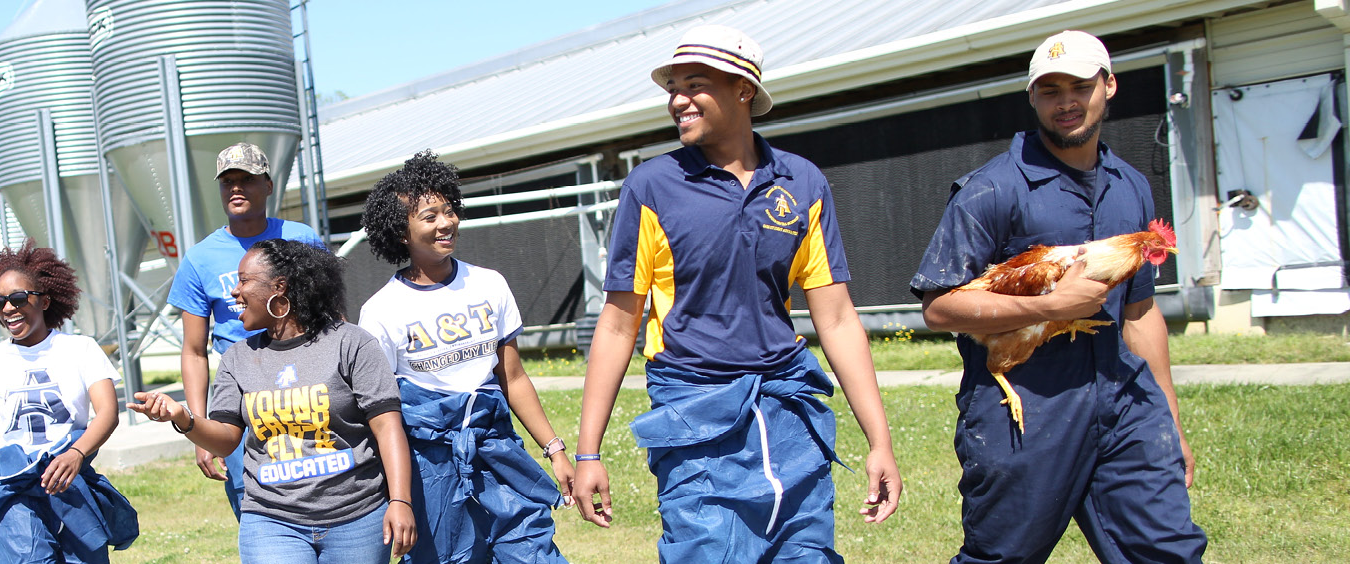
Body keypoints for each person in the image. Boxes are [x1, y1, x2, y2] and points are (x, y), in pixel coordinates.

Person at [568, 25, 903, 562]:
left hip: (788, 410)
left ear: (744, 90)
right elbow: (615, 325)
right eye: (672, 87)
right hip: (693, 413)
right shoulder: (650, 188)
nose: (678, 99)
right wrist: (588, 452)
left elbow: (836, 319)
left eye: (694, 84)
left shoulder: (803, 184)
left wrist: (880, 443)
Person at [911, 30, 1205, 563]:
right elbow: (938, 306)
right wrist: (1047, 306)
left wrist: (1168, 421)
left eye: (1080, 86)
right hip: (1026, 407)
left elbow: (1139, 312)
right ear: (1032, 98)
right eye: (1050, 90)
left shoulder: (1131, 184)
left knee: (1166, 552)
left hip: (1125, 404)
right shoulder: (993, 190)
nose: (1066, 101)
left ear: (1108, 86)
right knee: (1002, 558)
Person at [129, 239, 417, 563]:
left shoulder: (351, 343)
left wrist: (400, 501)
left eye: (244, 281)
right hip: (271, 519)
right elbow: (225, 441)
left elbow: (388, 426)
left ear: (279, 287)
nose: (234, 293)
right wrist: (184, 418)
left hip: (357, 516)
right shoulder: (237, 358)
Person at [355, 150, 573, 563]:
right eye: (430, 215)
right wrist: (395, 495)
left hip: (497, 449)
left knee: (533, 549)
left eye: (449, 210)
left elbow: (513, 377)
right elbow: (381, 414)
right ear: (401, 232)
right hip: (430, 465)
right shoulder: (381, 311)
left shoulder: (489, 284)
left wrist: (555, 450)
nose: (446, 223)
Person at [0, 242, 138, 563]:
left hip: (71, 483)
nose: (8, 308)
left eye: (19, 298)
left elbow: (107, 413)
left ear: (44, 301)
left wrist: (76, 454)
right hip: (16, 492)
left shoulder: (80, 349)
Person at [167, 142, 327, 517]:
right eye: (228, 182)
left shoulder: (300, 238)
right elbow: (193, 351)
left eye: (247, 180)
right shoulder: (199, 258)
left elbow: (330, 317)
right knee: (254, 500)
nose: (236, 188)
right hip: (242, 393)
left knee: (321, 484)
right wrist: (200, 428)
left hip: (307, 384)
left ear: (268, 185)